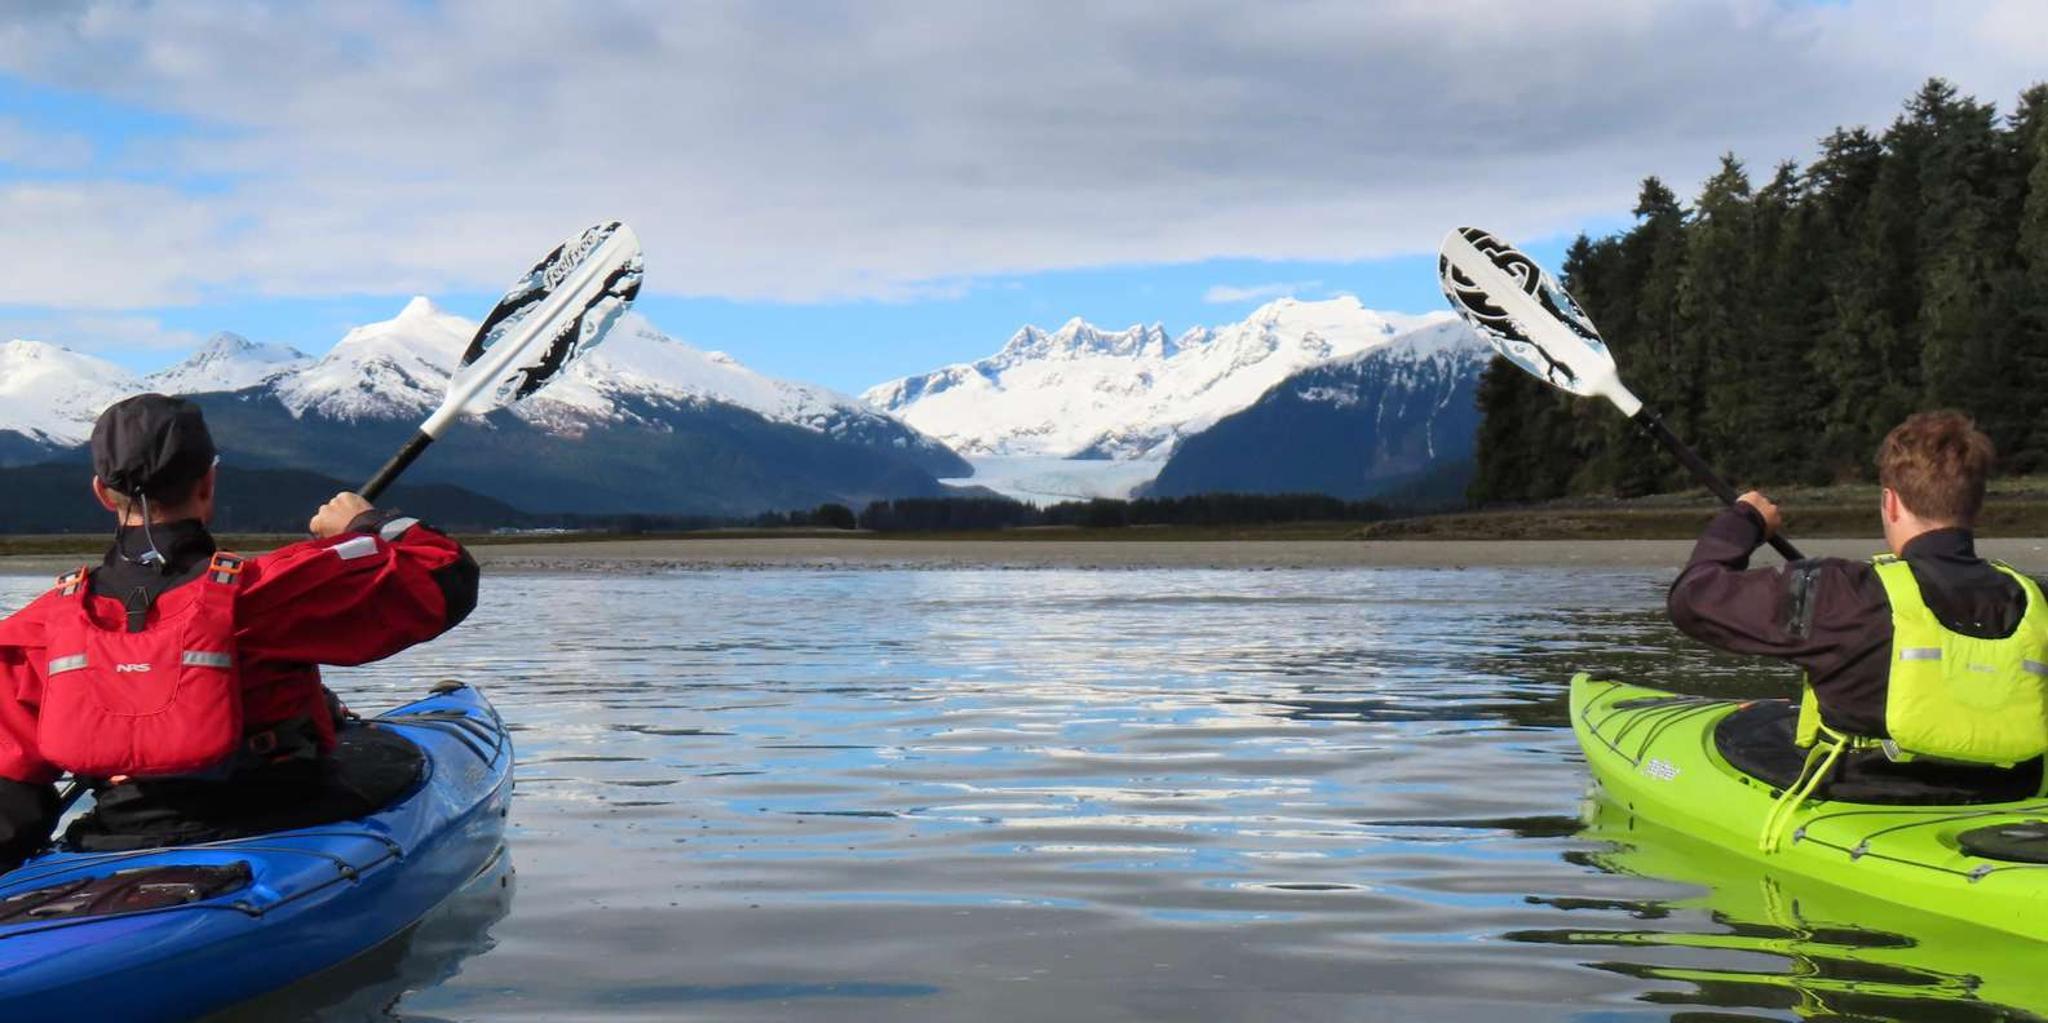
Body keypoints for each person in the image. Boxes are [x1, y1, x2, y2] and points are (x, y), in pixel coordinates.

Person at [0, 394, 479, 870]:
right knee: (380, 751)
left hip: (121, 831)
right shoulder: (271, 589)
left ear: (102, 493)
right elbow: (447, 574)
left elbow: (11, 806)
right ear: (208, 484)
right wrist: (365, 523)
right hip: (288, 816)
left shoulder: (38, 629)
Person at [1667, 411, 2048, 826]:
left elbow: (1693, 599)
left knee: (1743, 726)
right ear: (1974, 504)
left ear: (1890, 501)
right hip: (2011, 789)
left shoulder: (1840, 591)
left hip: (1863, 787)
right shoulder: (2033, 600)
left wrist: (1744, 521)